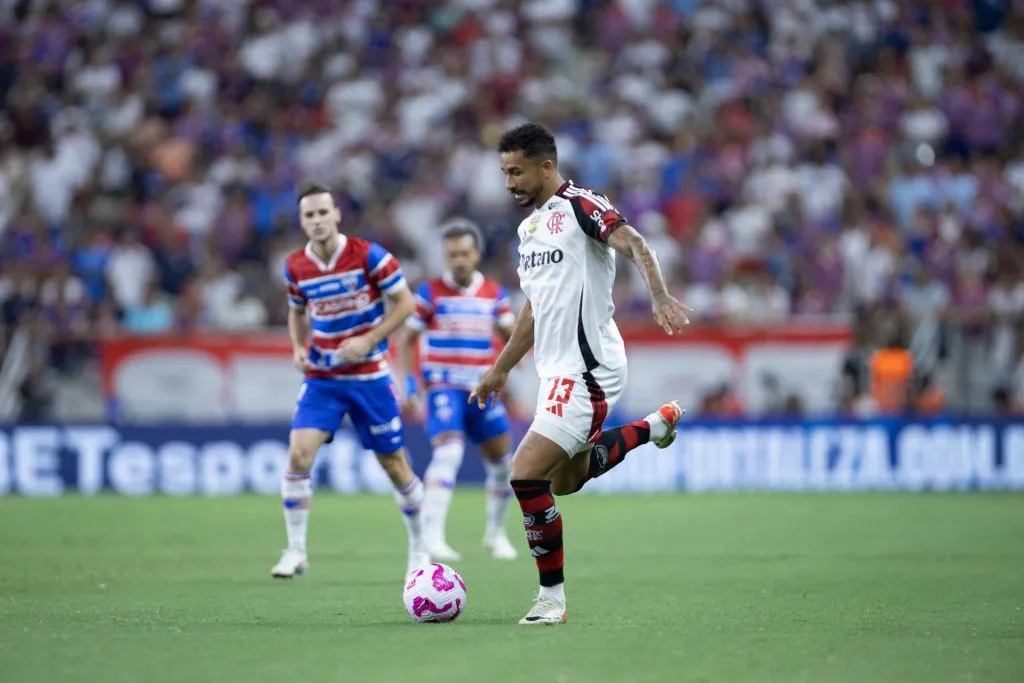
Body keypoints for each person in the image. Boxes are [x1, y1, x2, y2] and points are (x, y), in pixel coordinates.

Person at [470, 123, 690, 625]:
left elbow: (633, 241)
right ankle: (654, 427)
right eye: (504, 172)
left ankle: (551, 599)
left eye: (516, 171)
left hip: (589, 369)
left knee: (524, 474)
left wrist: (657, 294)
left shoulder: (581, 205)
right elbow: (535, 307)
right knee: (563, 480)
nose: (509, 183)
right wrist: (501, 369)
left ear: (546, 166)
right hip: (556, 371)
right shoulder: (528, 232)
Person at [272, 181, 429, 580]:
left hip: (369, 377)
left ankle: (419, 545)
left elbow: (406, 303)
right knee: (298, 455)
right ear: (301, 220)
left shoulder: (369, 256)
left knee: (394, 465)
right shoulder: (295, 266)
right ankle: (295, 550)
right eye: (309, 214)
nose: (317, 220)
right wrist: (296, 346)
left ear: (337, 213)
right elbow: (295, 309)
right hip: (323, 376)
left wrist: (369, 340)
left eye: (324, 212)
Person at [400, 220, 519, 562]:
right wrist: (410, 383)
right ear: (445, 257)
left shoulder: (495, 295)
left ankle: (496, 534)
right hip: (443, 385)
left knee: (502, 464)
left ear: (477, 254)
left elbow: (512, 335)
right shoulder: (430, 293)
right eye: (452, 255)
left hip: (481, 388)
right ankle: (432, 536)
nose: (459, 261)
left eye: (464, 253)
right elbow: (407, 339)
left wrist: (511, 364)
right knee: (449, 453)